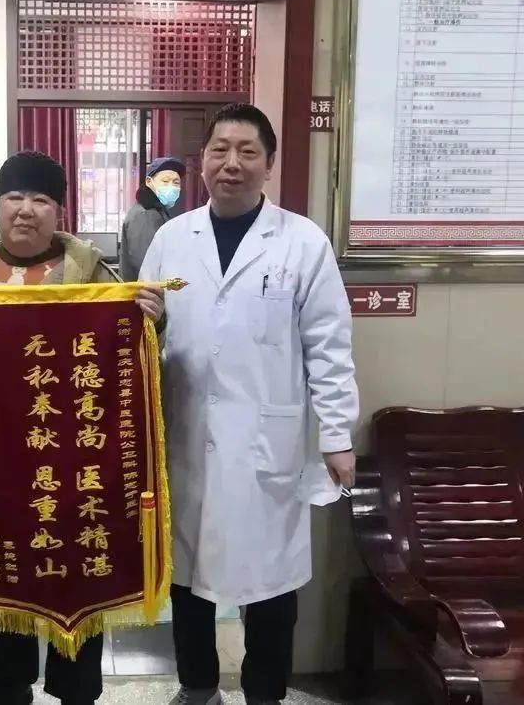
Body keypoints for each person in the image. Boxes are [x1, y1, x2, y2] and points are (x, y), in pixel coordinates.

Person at [0, 151, 164, 705]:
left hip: (70, 455)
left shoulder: (91, 270)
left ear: (59, 212)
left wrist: (152, 321)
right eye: (13, 197)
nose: (25, 210)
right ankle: (8, 685)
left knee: (77, 565)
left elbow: (129, 350)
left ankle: (77, 688)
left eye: (41, 199)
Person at [139, 104, 359, 705]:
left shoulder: (303, 242)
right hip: (186, 434)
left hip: (267, 441)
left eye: (247, 152)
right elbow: (141, 335)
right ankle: (197, 687)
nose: (231, 163)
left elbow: (329, 345)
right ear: (202, 160)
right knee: (187, 578)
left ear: (269, 164)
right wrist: (146, 323)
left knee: (271, 586)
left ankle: (265, 693)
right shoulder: (171, 239)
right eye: (220, 150)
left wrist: (337, 436)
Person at [120, 156, 185, 281]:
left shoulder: (158, 211)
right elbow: (147, 264)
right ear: (149, 182)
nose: (171, 186)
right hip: (146, 290)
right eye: (165, 181)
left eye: (176, 183)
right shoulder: (144, 215)